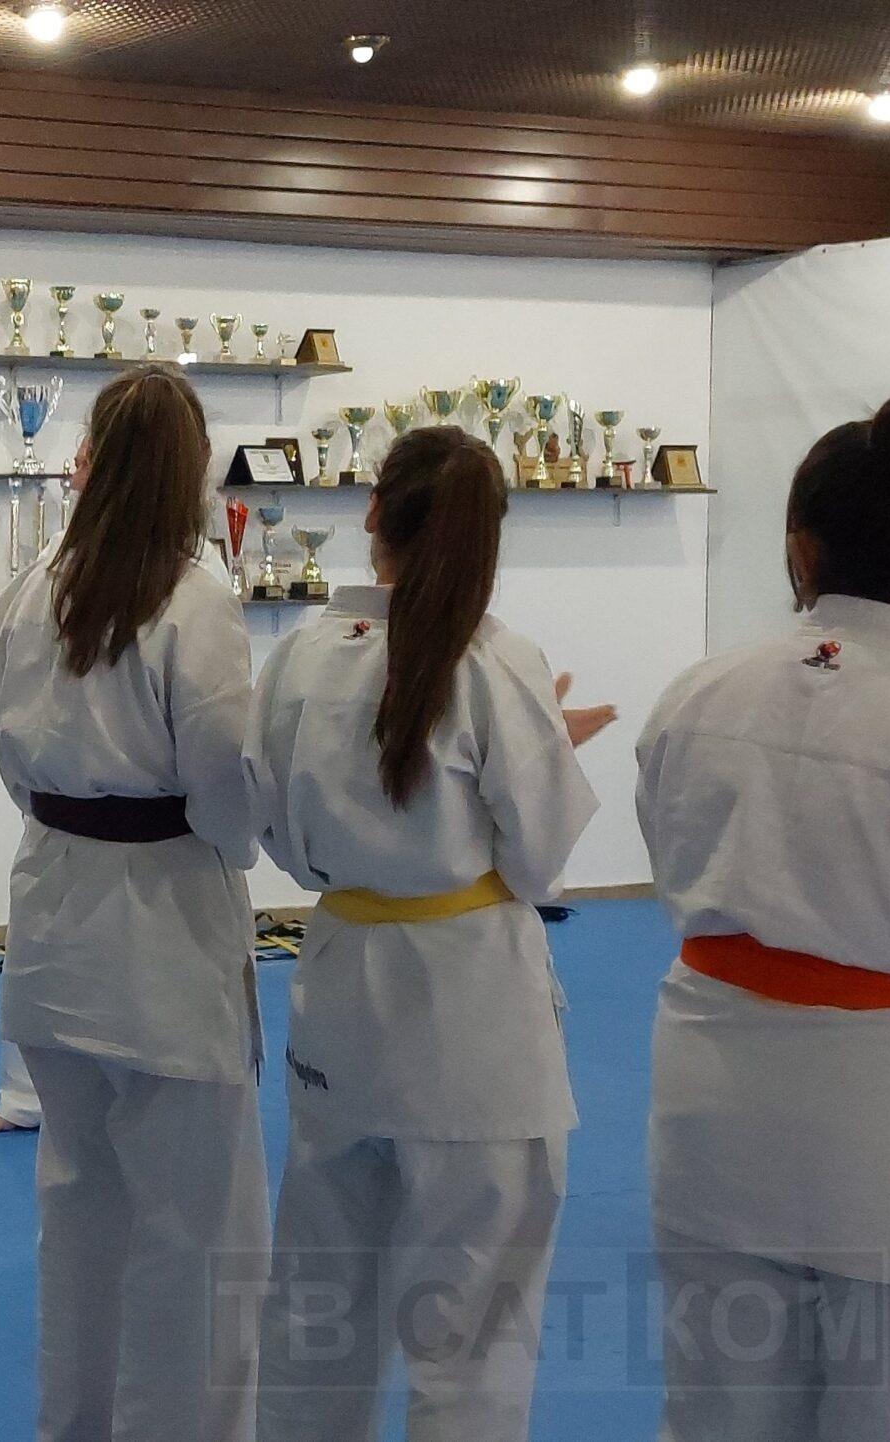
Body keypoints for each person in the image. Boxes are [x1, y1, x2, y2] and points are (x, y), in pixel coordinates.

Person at [247, 425, 616, 1441]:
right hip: (471, 1010)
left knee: (317, 1312)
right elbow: (537, 859)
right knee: (472, 1335)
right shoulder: (497, 664)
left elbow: (273, 828)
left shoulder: (300, 657)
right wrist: (551, 748)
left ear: (374, 515)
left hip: (340, 987)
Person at [0, 363, 268, 1442]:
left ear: (90, 463)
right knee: (195, 1234)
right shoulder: (194, 600)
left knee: (80, 1214)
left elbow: (12, 758)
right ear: (191, 474)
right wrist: (234, 844)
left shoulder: (30, 589)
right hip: (168, 927)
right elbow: (226, 785)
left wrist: (76, 818)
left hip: (55, 906)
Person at [636, 382, 890, 1441]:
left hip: (713, 1083)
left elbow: (671, 860)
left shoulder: (701, 690)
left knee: (717, 1404)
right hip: (883, 1100)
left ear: (802, 549)